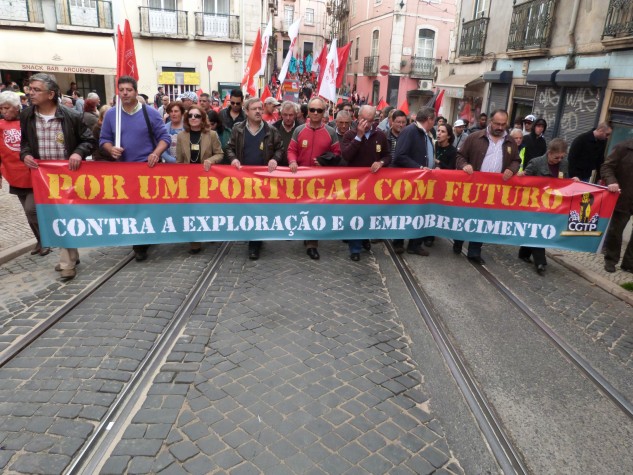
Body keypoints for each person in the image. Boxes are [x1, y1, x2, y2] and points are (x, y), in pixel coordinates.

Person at [21, 73, 95, 280]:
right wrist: (25, 155)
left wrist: (77, 153)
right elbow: (25, 142)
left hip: (66, 176)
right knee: (32, 209)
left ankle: (67, 262)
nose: (30, 93)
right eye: (30, 89)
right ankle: (71, 251)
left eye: (36, 90)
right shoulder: (26, 115)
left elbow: (88, 140)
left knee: (63, 216)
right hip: (41, 177)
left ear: (51, 94)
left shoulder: (71, 116)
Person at [99, 75, 171, 262]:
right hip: (124, 170)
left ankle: (140, 244)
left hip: (147, 169)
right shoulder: (111, 115)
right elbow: (103, 140)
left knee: (145, 207)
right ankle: (140, 239)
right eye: (121, 90)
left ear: (136, 92)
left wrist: (156, 153)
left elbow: (165, 138)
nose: (125, 93)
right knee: (131, 207)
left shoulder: (150, 113)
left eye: (128, 90)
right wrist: (110, 149)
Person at [455, 109, 521, 264]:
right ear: (491, 121)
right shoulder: (474, 137)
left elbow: (516, 160)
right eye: (497, 123)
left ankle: (474, 251)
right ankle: (458, 240)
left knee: (483, 220)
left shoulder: (510, 141)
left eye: (503, 124)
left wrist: (511, 169)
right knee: (467, 217)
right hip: (473, 188)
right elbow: (459, 156)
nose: (499, 127)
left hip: (493, 190)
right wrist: (465, 165)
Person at [226, 97, 283, 260]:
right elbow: (229, 148)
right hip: (243, 178)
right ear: (246, 111)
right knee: (247, 210)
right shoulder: (238, 129)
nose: (258, 111)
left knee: (258, 210)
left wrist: (274, 159)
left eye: (260, 108)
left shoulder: (270, 130)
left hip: (263, 180)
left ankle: (255, 243)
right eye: (254, 109)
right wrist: (233, 159)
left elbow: (280, 149)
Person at [287, 97, 341, 260]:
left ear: (324, 112)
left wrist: (325, 160)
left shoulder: (330, 132)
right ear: (307, 112)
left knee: (315, 211)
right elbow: (291, 150)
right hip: (300, 180)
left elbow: (337, 154)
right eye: (312, 110)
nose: (315, 113)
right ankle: (302, 234)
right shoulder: (299, 130)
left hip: (320, 180)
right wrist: (293, 161)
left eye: (319, 110)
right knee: (301, 210)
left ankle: (312, 244)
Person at [518, 138, 578, 275]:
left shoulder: (564, 164)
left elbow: (565, 183)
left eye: (562, 157)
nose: (559, 159)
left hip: (553, 205)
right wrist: (521, 177)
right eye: (557, 157)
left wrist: (572, 181)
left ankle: (524, 252)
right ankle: (540, 262)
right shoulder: (536, 162)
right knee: (539, 231)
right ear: (549, 153)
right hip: (535, 205)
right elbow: (525, 182)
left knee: (534, 231)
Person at [0, 91, 49, 257]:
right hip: (14, 175)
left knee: (31, 210)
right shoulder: (0, 125)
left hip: (33, 173)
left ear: (16, 107)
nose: (4, 111)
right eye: (1, 108)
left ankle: (46, 239)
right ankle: (40, 240)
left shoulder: (27, 121)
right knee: (28, 213)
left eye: (7, 108)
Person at [341, 105, 390, 261]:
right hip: (355, 185)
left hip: (372, 184)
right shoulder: (349, 135)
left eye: (370, 120)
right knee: (356, 216)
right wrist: (359, 137)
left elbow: (388, 155)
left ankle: (365, 239)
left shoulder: (380, 136)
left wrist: (381, 162)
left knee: (369, 215)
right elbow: (347, 156)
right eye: (364, 120)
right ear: (357, 118)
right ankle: (355, 248)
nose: (367, 124)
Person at [176, 105, 224, 254]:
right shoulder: (181, 136)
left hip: (207, 178)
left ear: (203, 118)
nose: (193, 118)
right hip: (189, 180)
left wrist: (211, 160)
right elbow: (179, 161)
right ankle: (194, 242)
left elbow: (220, 154)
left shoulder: (212, 135)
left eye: (197, 116)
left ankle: (209, 230)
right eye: (190, 116)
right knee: (191, 210)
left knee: (206, 208)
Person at [392, 106, 437, 256]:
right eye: (434, 120)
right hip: (409, 181)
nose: (434, 123)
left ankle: (414, 244)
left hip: (422, 182)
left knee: (419, 213)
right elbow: (400, 156)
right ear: (429, 119)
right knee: (404, 211)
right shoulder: (409, 131)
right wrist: (419, 167)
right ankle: (398, 242)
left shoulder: (427, 134)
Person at [601, 139, 633, 273]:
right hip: (623, 197)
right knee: (615, 231)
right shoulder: (623, 147)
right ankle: (611, 259)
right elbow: (606, 167)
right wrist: (612, 181)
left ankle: (629, 263)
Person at [272, 101, 300, 166]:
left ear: (295, 115)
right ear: (281, 114)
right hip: (277, 168)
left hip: (296, 168)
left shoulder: (301, 129)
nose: (288, 118)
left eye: (291, 115)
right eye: (285, 115)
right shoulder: (273, 128)